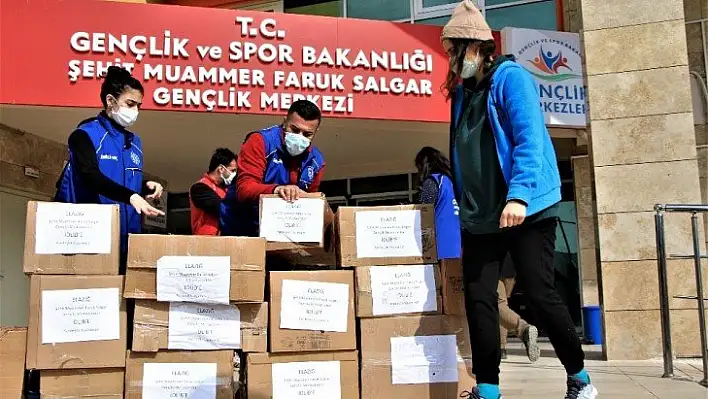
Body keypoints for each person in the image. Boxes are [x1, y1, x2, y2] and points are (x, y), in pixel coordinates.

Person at [441, 2, 596, 399]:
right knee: (478, 298)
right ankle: (488, 390)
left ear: (474, 47)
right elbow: (463, 153)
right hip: (481, 216)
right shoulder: (463, 93)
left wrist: (520, 196)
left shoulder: (511, 78)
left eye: (452, 50)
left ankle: (580, 380)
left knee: (540, 295)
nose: (450, 60)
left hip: (524, 208)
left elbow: (529, 140)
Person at [416, 147, 540, 363]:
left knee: (459, 303)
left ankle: (478, 351)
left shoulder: (433, 182)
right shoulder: (457, 184)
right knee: (491, 300)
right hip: (471, 249)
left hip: (443, 254)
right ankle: (515, 334)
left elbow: (422, 213)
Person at [54, 66, 163, 273]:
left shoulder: (135, 143)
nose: (135, 111)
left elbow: (121, 181)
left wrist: (144, 186)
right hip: (91, 240)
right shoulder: (85, 135)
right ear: (110, 101)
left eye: (139, 106)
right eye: (130, 104)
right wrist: (131, 196)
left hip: (128, 239)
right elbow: (91, 177)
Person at [220, 100, 325, 237]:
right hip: (241, 231)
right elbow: (245, 190)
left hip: (283, 234)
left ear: (316, 132)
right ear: (284, 121)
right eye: (294, 130)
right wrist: (278, 190)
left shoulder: (316, 161)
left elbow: (310, 204)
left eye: (307, 134)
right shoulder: (260, 142)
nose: (299, 137)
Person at [415, 146, 461, 260]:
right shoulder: (452, 182)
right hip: (460, 243)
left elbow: (424, 210)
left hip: (441, 245)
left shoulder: (433, 181)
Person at [498, 254, 539, 362]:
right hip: (509, 269)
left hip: (492, 267)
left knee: (497, 304)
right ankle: (501, 347)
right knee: (501, 305)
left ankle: (523, 329)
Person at [189, 148, 238, 235]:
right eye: (232, 170)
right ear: (221, 169)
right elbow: (222, 209)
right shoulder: (199, 188)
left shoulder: (227, 189)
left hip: (225, 241)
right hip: (206, 241)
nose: (234, 174)